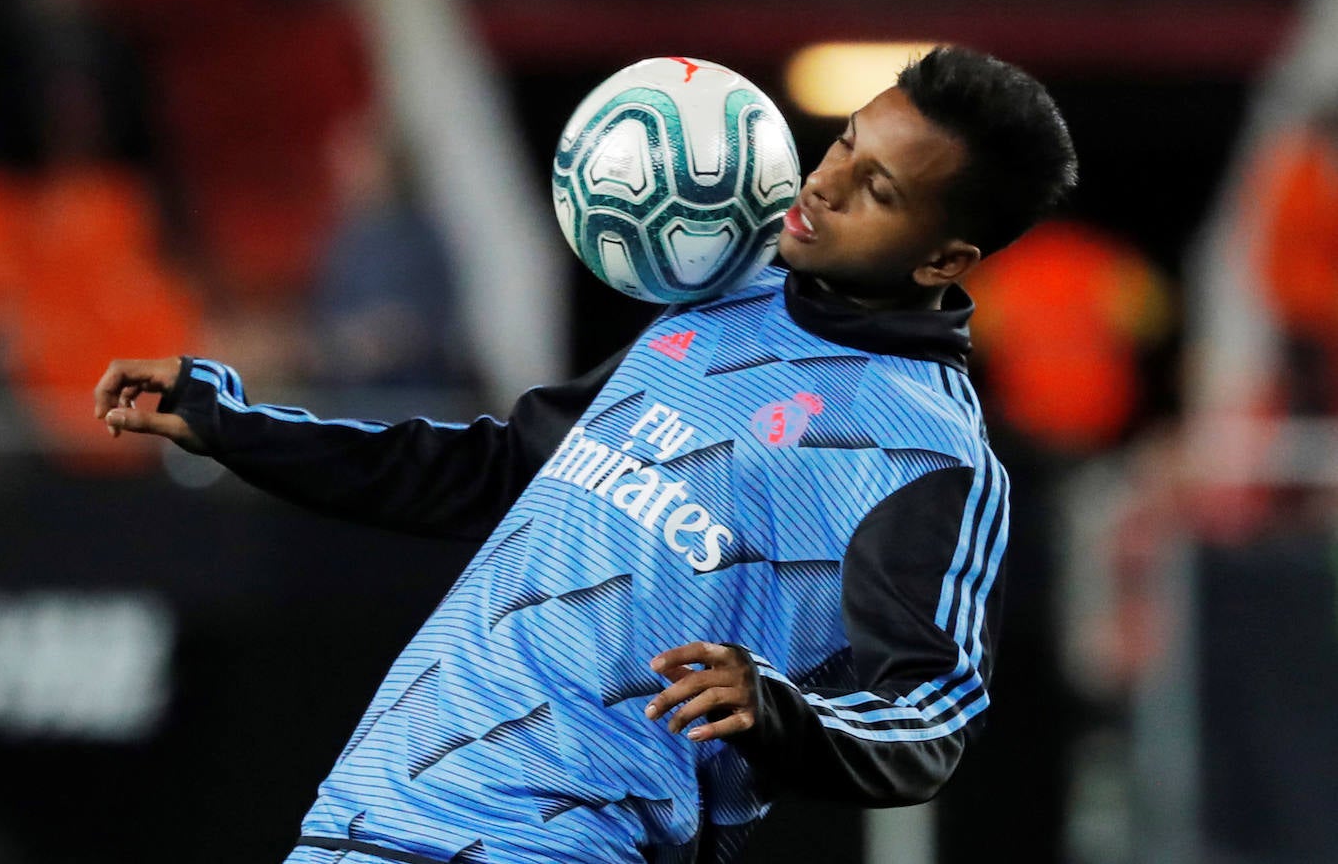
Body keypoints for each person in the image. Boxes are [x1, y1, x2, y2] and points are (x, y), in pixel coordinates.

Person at [93, 46, 1077, 864]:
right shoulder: (721, 304)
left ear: (945, 259)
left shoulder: (928, 453)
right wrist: (234, 424)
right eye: (843, 145)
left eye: (878, 188)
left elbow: (928, 718)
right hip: (377, 810)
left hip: (571, 845)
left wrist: (777, 711)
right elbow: (492, 470)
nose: (824, 183)